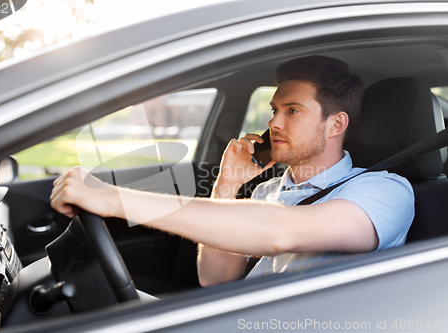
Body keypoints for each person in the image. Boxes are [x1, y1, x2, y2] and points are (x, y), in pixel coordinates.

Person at [50, 56, 414, 287]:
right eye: (274, 109)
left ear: (336, 124)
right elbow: (214, 279)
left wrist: (113, 198)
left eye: (293, 110)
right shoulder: (265, 193)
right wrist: (225, 185)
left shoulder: (385, 191)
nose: (274, 121)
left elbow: (280, 233)